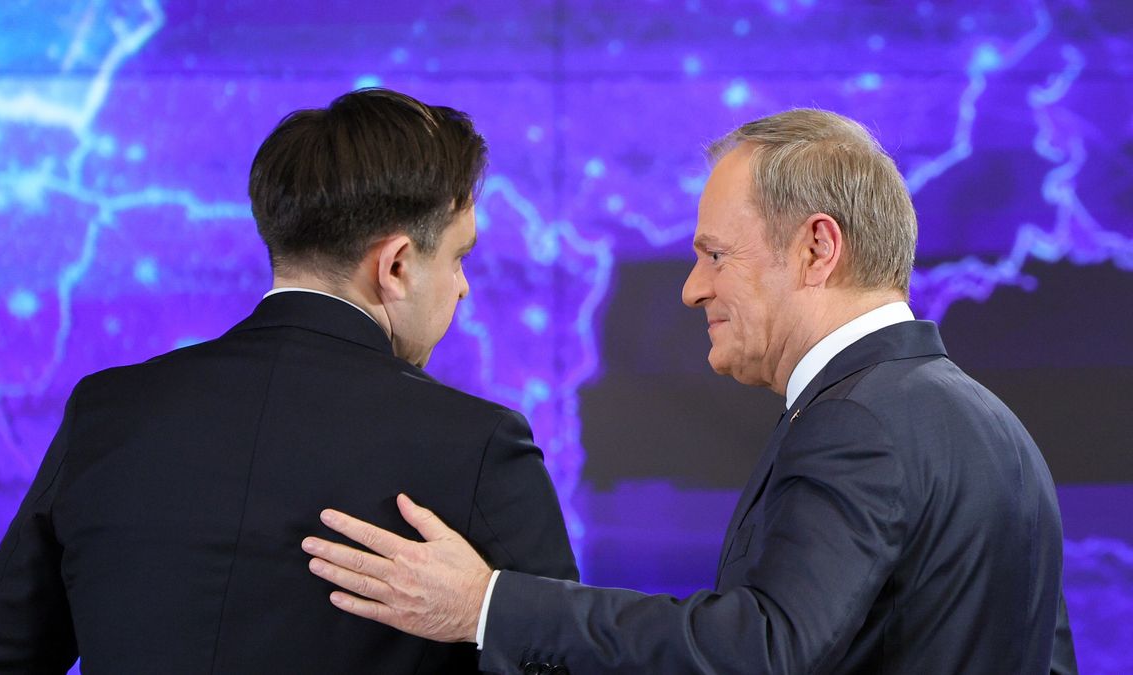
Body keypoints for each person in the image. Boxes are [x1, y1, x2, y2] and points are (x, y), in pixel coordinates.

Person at [300, 108, 1078, 674]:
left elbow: (767, 646)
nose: (691, 288)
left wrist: (488, 605)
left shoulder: (859, 421)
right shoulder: (994, 427)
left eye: (715, 254)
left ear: (817, 248)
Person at [0, 88, 577, 673]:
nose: (463, 286)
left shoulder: (106, 412)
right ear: (396, 265)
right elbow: (569, 659)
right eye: (459, 257)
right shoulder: (480, 444)